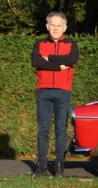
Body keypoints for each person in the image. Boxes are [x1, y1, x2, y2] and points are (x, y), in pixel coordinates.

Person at [31, 11, 79, 177]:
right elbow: (36, 61)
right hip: (43, 90)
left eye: (59, 25)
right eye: (52, 25)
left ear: (65, 27)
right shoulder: (39, 43)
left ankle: (59, 166)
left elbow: (72, 59)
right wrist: (58, 66)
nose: (55, 28)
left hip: (63, 91)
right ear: (47, 26)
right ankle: (42, 167)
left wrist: (49, 58)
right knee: (43, 130)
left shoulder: (71, 45)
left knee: (60, 129)